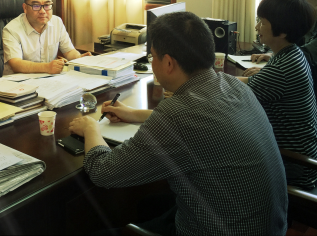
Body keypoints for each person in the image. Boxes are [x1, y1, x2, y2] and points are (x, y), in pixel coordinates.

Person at [70, 12, 288, 236]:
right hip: (266, 225)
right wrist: (134, 114)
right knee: (149, 204)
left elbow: (104, 172)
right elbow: (199, 120)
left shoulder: (177, 114)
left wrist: (91, 128)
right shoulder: (234, 86)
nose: (152, 62)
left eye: (152, 57)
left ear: (168, 63)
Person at [238, 0, 317, 190]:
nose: (256, 27)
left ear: (283, 32)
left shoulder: (281, 70)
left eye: (262, 22)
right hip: (308, 154)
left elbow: (233, 94)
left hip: (296, 165)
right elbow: (253, 83)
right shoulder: (292, 53)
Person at [2, 0, 90, 75]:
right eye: (36, 6)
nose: (43, 11)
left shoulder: (57, 22)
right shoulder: (11, 30)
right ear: (25, 8)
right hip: (19, 81)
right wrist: (47, 67)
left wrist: (79, 58)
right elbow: (16, 64)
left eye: (47, 5)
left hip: (49, 78)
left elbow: (69, 51)